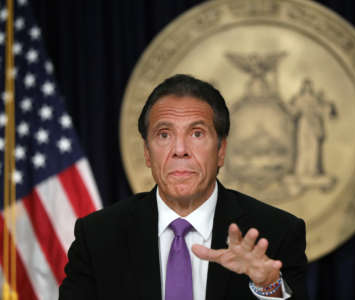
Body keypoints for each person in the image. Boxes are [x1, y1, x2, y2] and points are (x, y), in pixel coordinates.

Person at [59, 74, 308, 300]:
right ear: (147, 153)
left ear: (221, 150)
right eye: (164, 135)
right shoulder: (98, 236)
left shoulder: (276, 233)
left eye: (197, 134)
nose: (180, 150)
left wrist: (268, 285)